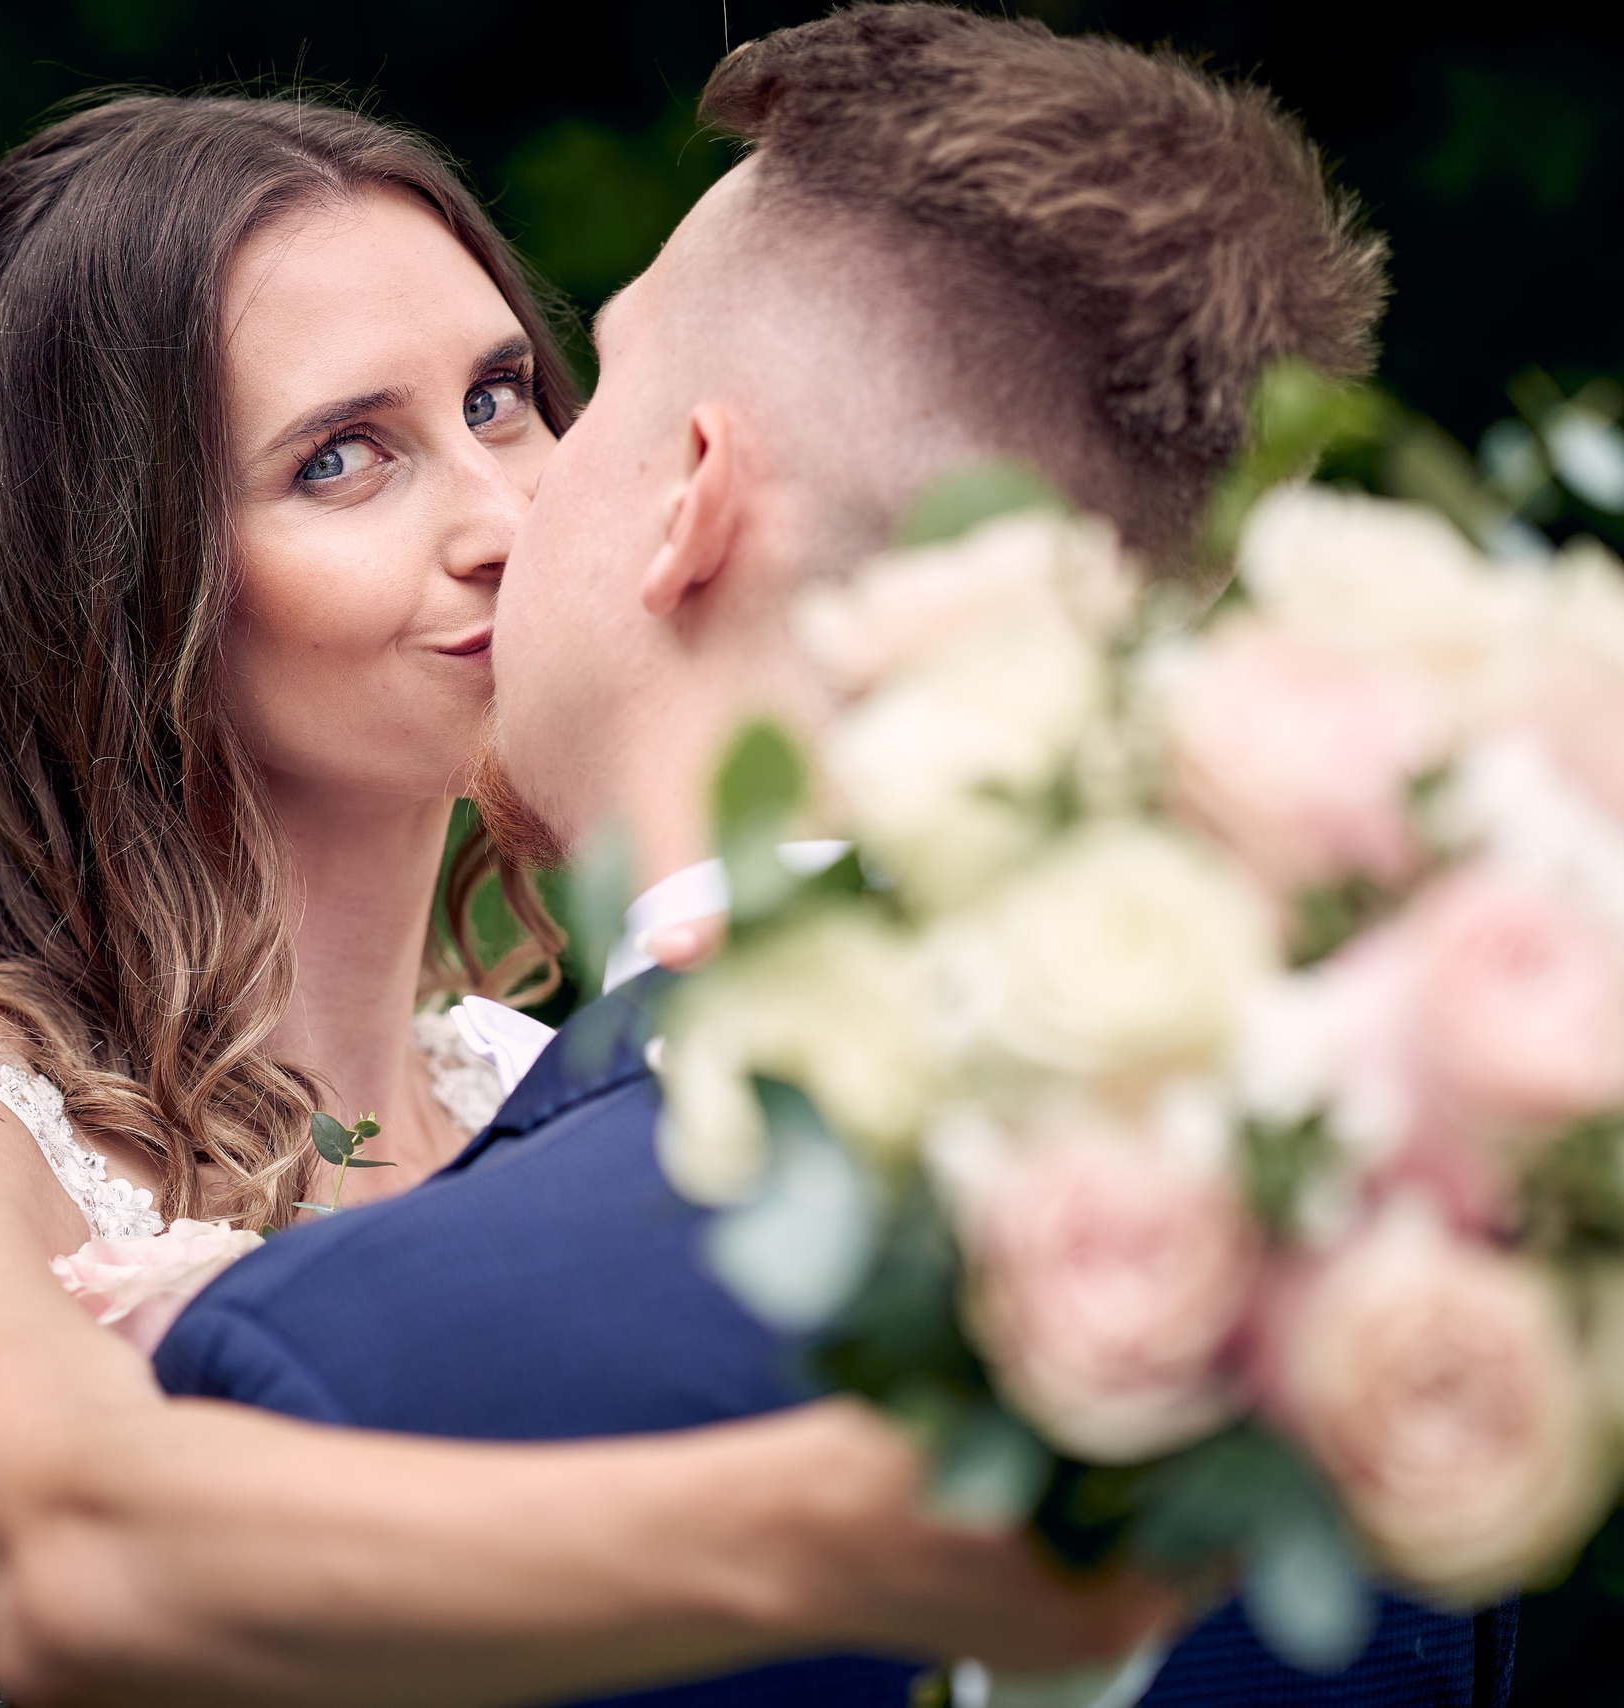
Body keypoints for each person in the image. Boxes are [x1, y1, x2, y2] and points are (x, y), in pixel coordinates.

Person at [0, 91, 1169, 1708]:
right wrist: (859, 1526)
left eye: (500, 399)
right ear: (121, 589)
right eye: (340, 460)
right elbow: (57, 1571)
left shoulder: (566, 1092)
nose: (507, 518)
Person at [160, 9, 1513, 1706]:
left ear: (694, 495)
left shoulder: (334, 1372)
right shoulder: (1407, 1347)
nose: (514, 506)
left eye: (589, 390)